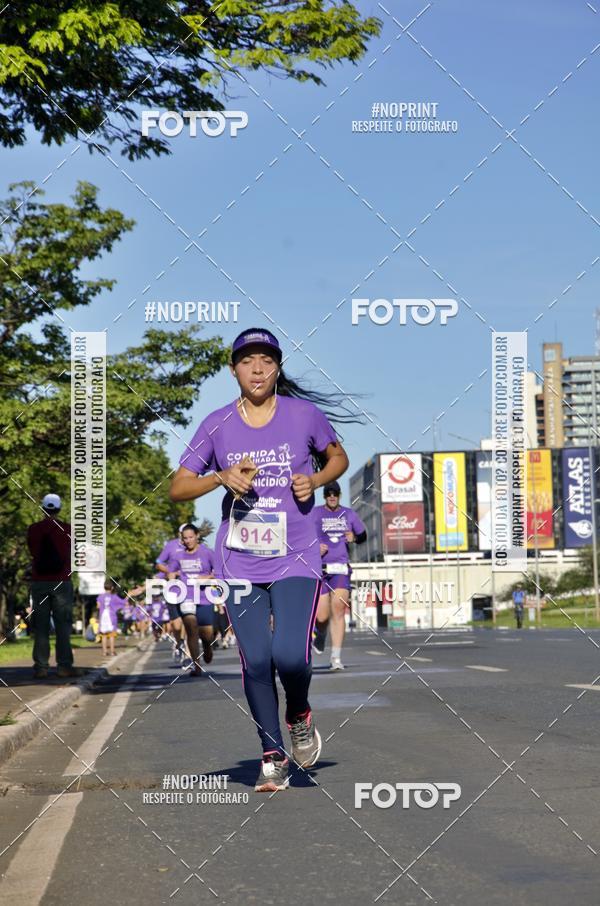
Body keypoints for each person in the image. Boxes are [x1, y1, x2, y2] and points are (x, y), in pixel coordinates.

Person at [170, 327, 350, 792]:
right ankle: (272, 756)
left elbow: (337, 457)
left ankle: (299, 713)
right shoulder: (216, 424)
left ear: (277, 368)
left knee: (290, 655)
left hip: (296, 556)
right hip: (239, 562)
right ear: (233, 370)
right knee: (255, 660)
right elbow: (178, 487)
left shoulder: (303, 414)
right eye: (247, 361)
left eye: (266, 361)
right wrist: (219, 477)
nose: (257, 369)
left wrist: (316, 480)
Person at [26, 493, 85, 679]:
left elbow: (32, 551)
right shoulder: (68, 529)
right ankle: (64, 666)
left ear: (43, 508)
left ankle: (41, 667)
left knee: (41, 626)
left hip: (39, 582)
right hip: (62, 581)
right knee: (63, 625)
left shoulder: (33, 529)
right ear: (58, 509)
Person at [312, 481, 367, 670]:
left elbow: (363, 535)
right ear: (324, 496)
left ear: (340, 495)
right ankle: (320, 634)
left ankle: (335, 658)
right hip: (320, 568)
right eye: (328, 494)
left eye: (335, 493)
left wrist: (355, 538)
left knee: (338, 609)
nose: (332, 496)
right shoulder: (315, 513)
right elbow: (301, 536)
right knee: (321, 616)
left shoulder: (349, 514)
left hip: (341, 568)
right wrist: (314, 548)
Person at [166, 524, 215, 676]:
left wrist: (207, 577)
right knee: (191, 630)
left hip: (204, 597)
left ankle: (207, 646)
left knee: (206, 634)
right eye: (185, 538)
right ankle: (197, 666)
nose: (188, 541)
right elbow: (170, 570)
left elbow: (219, 570)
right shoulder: (178, 555)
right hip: (186, 596)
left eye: (191, 537)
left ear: (197, 536)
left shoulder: (207, 553)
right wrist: (171, 576)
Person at [156, 526, 187, 663]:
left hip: (190, 590)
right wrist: (170, 572)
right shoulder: (171, 546)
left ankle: (186, 648)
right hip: (173, 589)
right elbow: (158, 563)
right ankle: (179, 642)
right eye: (184, 533)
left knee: (188, 619)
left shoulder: (196, 547)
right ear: (179, 533)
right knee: (176, 624)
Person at [96, 581, 125, 658]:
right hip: (111, 617)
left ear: (104, 587)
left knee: (104, 635)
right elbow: (122, 603)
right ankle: (112, 651)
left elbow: (98, 606)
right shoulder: (114, 596)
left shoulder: (100, 597)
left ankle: (104, 652)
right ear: (112, 588)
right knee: (111, 635)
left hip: (103, 617)